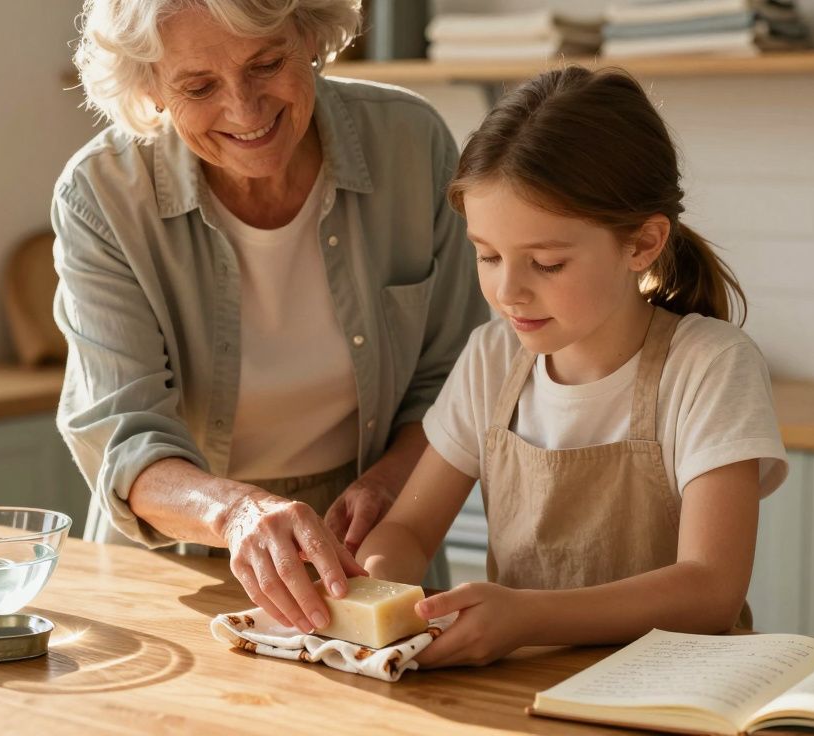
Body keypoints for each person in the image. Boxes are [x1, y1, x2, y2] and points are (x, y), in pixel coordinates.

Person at [52, 0, 488, 636]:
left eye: (266, 64)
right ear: (151, 87)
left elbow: (455, 377)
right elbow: (125, 442)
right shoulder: (102, 194)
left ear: (308, 35)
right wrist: (236, 514)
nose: (245, 109)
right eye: (199, 86)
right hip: (181, 551)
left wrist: (392, 484)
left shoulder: (409, 142)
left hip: (369, 544)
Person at [357, 66, 789, 668]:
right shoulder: (490, 359)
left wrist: (527, 617)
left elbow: (711, 590)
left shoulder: (709, 366)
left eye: (547, 263)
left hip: (676, 689)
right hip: (520, 687)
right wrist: (373, 587)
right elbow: (408, 530)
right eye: (487, 256)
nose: (508, 292)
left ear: (642, 243)